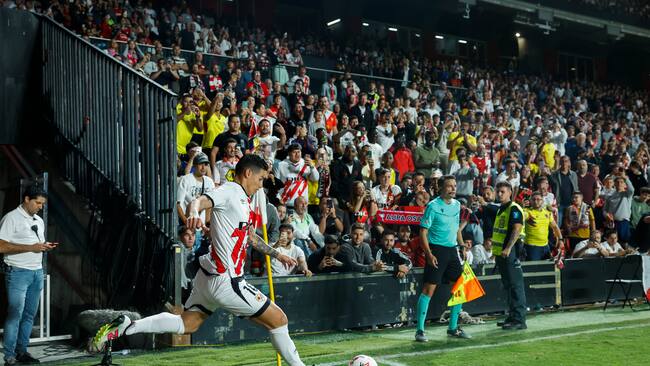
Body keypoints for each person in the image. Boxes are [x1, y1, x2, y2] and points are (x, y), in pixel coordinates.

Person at [92, 155, 305, 366]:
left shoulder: (244, 201)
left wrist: (277, 254)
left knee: (187, 323)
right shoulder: (230, 190)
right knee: (279, 320)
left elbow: (249, 236)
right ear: (248, 173)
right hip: (227, 280)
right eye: (260, 180)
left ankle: (129, 325)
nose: (261, 186)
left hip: (209, 278)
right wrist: (194, 211)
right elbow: (199, 201)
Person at [1, 186, 58, 366]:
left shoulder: (38, 220)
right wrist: (31, 248)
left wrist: (43, 246)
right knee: (15, 314)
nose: (40, 206)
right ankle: (9, 356)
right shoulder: (11, 218)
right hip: (17, 272)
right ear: (27, 199)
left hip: (36, 272)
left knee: (29, 315)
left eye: (42, 204)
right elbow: (1, 247)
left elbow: (33, 243)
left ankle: (22, 352)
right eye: (38, 202)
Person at [415, 175, 470, 342]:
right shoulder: (432, 206)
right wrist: (429, 254)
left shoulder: (458, 205)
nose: (453, 189)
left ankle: (453, 328)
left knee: (460, 287)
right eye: (449, 186)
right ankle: (420, 330)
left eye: (454, 185)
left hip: (452, 251)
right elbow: (422, 232)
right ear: (441, 188)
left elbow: (457, 229)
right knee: (428, 290)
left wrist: (461, 247)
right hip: (437, 251)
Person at [492, 182, 527, 330]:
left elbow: (517, 229)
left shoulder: (514, 208)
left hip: (510, 252)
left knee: (515, 285)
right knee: (508, 286)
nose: (499, 194)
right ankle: (512, 316)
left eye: (502, 192)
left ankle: (519, 320)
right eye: (498, 192)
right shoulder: (501, 209)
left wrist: (507, 248)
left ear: (510, 192)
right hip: (502, 254)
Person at [523, 192, 563, 260]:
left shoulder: (547, 213)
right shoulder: (527, 212)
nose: (536, 201)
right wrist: (521, 206)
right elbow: (521, 215)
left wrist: (560, 239)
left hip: (545, 246)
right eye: (533, 199)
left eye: (538, 199)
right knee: (534, 268)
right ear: (530, 201)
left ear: (542, 201)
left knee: (547, 267)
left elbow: (555, 227)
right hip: (532, 247)